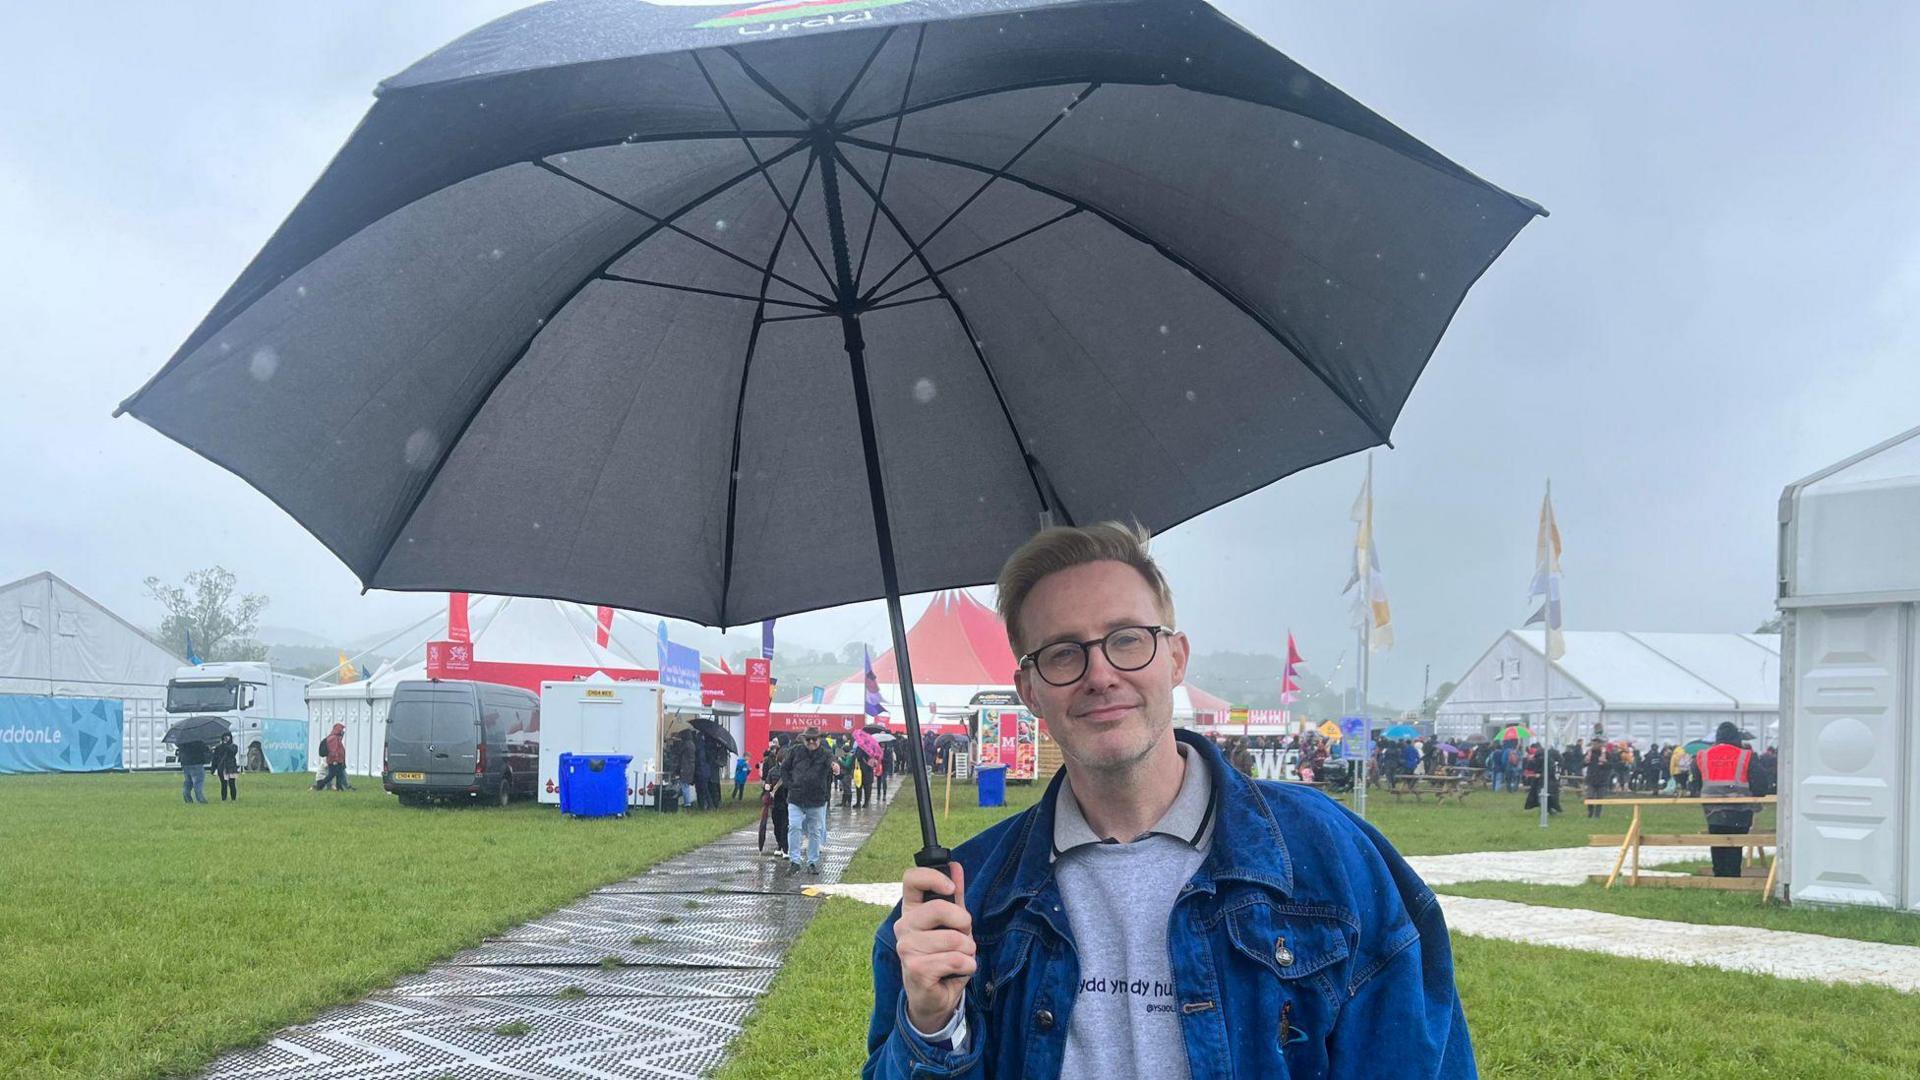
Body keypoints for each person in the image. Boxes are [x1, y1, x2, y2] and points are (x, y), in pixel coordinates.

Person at [869, 523, 1472, 1079]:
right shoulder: (961, 903)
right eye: (1062, 653)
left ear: (1176, 657)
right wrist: (932, 1024)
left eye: (1127, 639)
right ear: (1028, 689)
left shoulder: (1334, 860)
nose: (1100, 673)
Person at [1694, 722, 1757, 878]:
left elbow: (1695, 783)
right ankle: (1733, 879)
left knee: (1717, 845)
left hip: (1712, 810)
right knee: (1735, 848)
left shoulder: (1702, 755)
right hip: (1740, 810)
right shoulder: (1746, 755)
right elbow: (1761, 783)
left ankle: (1719, 879)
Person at [784, 726, 840, 875]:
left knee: (815, 831)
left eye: (814, 739)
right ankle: (794, 861)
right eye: (807, 739)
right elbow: (784, 768)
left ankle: (812, 862)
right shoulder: (795, 751)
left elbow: (832, 761)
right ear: (804, 739)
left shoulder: (825, 754)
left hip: (816, 800)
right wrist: (790, 785)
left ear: (819, 739)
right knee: (794, 827)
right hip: (796, 798)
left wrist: (835, 766)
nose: (811, 742)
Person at [311, 722, 353, 791]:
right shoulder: (333, 738)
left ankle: (339, 788)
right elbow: (334, 750)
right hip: (334, 761)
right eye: (342, 730)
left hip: (338, 760)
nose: (343, 732)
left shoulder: (336, 738)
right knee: (331, 775)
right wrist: (335, 760)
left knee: (338, 774)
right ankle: (320, 786)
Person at [177, 738, 211, 804]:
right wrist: (208, 748)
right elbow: (203, 748)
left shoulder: (182, 740)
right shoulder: (197, 739)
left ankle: (187, 798)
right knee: (198, 782)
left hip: (185, 763)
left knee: (188, 782)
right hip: (196, 763)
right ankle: (200, 799)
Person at [211, 733, 240, 802]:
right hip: (222, 767)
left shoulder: (234, 746)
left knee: (232, 784)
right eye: (225, 737)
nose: (226, 738)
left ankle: (233, 799)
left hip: (231, 767)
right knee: (223, 784)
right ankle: (224, 799)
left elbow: (233, 752)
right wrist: (213, 768)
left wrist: (226, 746)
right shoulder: (219, 747)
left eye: (228, 737)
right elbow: (215, 758)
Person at [1583, 740, 1608, 817]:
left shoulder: (1606, 754)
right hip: (1591, 778)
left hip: (1602, 779)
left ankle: (1597, 814)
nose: (1594, 745)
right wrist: (1585, 761)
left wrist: (1605, 762)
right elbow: (1582, 764)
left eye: (1597, 743)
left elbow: (1611, 766)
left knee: (1600, 798)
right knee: (1589, 796)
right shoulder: (1589, 753)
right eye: (1593, 743)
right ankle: (1590, 812)